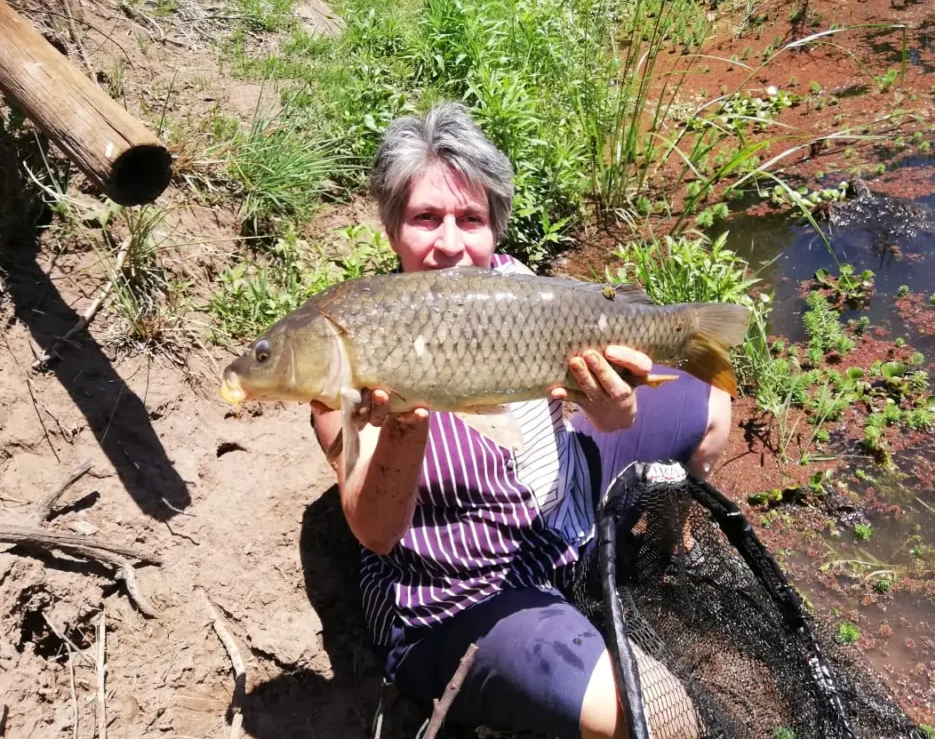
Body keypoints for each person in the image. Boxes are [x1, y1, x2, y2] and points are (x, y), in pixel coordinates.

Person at [310, 102, 732, 739]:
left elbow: (599, 406)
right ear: (394, 229)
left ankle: (676, 543)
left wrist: (614, 409)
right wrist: (404, 420)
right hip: (457, 596)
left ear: (495, 230)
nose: (450, 243)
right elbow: (373, 531)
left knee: (712, 403)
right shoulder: (352, 350)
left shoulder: (512, 291)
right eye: (426, 218)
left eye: (470, 219)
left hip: (553, 512)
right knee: (662, 719)